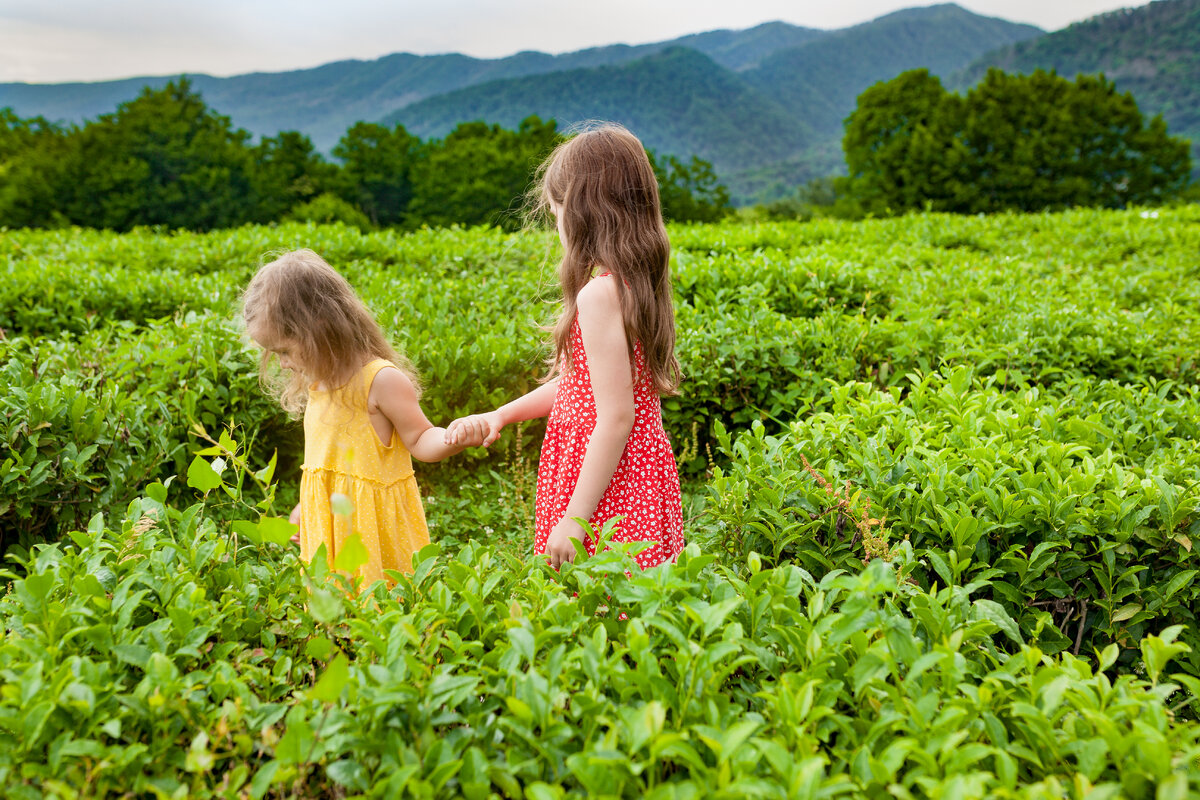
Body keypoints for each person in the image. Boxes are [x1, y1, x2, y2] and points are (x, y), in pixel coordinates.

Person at [447, 124, 685, 570]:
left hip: (607, 483)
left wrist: (576, 520)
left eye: (556, 211)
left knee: (598, 607)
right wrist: (501, 414)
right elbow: (582, 388)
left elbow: (615, 416)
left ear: (582, 213)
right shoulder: (633, 284)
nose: (556, 223)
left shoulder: (599, 294)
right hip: (630, 471)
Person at [242, 249, 488, 583]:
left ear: (318, 330)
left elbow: (419, 438)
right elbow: (323, 463)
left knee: (378, 614)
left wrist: (454, 437)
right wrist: (307, 506)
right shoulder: (318, 384)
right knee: (334, 614)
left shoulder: (380, 380)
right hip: (331, 528)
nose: (283, 363)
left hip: (372, 529)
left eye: (284, 350)